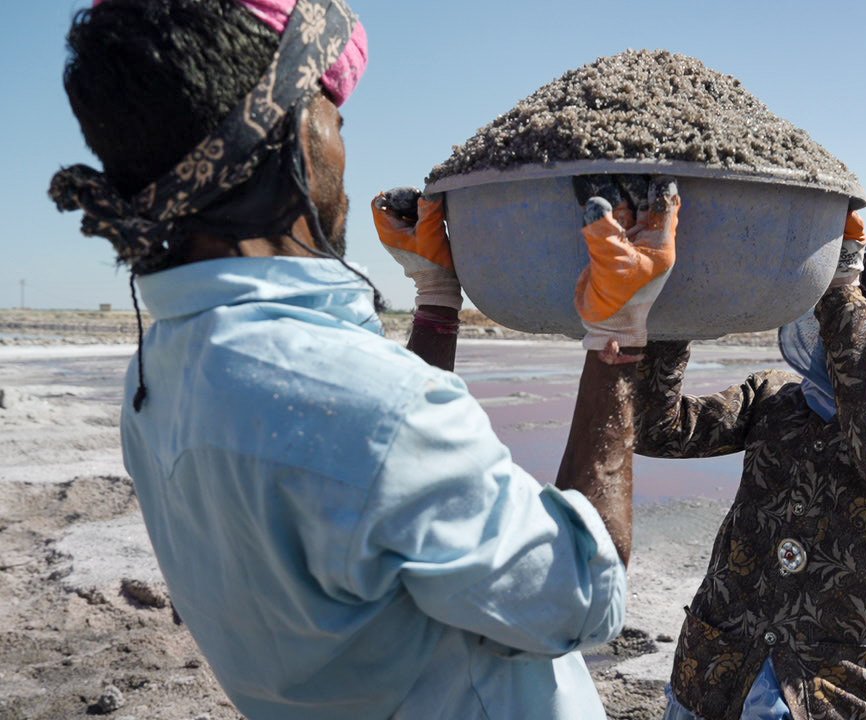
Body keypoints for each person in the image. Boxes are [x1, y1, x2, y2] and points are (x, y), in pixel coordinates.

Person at [48, 1, 677, 718]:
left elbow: (378, 489)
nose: (345, 152)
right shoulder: (371, 411)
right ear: (290, 134)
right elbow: (579, 600)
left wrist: (435, 305)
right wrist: (617, 337)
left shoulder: (157, 374)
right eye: (336, 121)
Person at [634, 212, 866, 720]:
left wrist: (844, 294)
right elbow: (658, 430)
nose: (854, 338)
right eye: (839, 315)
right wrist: (675, 313)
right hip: (718, 671)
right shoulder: (775, 396)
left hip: (837, 691)